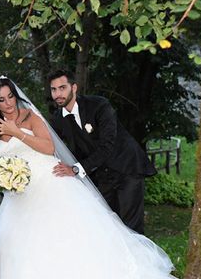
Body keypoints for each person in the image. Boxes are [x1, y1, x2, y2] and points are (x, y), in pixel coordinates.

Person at [0, 76, 180, 279]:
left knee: (74, 241)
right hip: (21, 195)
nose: (8, 103)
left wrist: (16, 131)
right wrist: (2, 174)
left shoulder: (30, 116)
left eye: (10, 97)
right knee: (27, 251)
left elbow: (48, 148)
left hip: (51, 184)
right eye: (1, 100)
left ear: (16, 95)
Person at [48, 69, 156, 234]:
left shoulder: (99, 105)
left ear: (74, 88)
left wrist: (76, 169)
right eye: (54, 90)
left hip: (126, 168)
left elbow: (107, 145)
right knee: (107, 225)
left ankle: (138, 259)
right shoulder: (57, 119)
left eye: (62, 88)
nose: (58, 94)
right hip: (99, 176)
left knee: (131, 227)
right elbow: (49, 145)